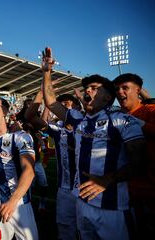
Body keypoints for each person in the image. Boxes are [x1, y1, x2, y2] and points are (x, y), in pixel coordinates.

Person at [41, 47, 146, 239]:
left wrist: (108, 179)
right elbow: (51, 103)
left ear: (108, 96)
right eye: (87, 88)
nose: (88, 91)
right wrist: (47, 72)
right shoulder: (77, 118)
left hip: (113, 208)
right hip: (82, 202)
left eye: (95, 88)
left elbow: (139, 162)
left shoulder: (123, 121)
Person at [25, 90, 80, 240]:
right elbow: (31, 117)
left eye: (67, 105)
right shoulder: (58, 129)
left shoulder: (87, 126)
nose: (62, 109)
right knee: (65, 230)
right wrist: (42, 94)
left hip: (85, 190)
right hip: (64, 189)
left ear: (77, 109)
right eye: (60, 106)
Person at [0, 96, 39, 240]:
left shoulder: (21, 138)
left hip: (19, 202)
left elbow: (29, 170)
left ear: (4, 112)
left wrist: (12, 201)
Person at [113, 73, 155, 238]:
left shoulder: (150, 110)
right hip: (126, 193)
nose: (120, 92)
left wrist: (141, 124)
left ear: (138, 90)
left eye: (125, 88)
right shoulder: (115, 117)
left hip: (151, 191)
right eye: (117, 89)